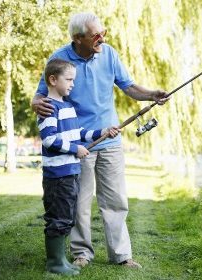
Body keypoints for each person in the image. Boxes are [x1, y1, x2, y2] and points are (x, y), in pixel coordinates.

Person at [32, 12, 169, 269]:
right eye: (96, 35)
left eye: (103, 33)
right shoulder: (59, 59)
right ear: (78, 38)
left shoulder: (109, 54)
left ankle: (121, 255)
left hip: (109, 138)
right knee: (80, 202)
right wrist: (37, 105)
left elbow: (128, 87)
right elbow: (40, 96)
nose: (102, 39)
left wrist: (152, 95)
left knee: (115, 200)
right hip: (78, 144)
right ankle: (82, 254)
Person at [38, 59, 120, 275]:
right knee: (58, 216)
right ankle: (54, 262)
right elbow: (49, 140)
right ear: (53, 80)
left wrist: (102, 132)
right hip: (58, 174)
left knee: (68, 216)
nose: (73, 84)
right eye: (69, 79)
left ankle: (62, 259)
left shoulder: (67, 107)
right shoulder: (48, 107)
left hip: (71, 171)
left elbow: (80, 133)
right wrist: (75, 149)